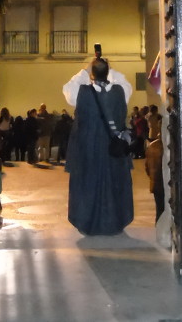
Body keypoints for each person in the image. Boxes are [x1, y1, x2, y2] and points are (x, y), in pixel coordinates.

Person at [63, 57, 134, 235]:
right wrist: (109, 68)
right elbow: (123, 81)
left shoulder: (79, 92)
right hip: (113, 148)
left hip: (87, 148)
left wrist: (85, 70)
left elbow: (68, 88)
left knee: (87, 184)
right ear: (108, 72)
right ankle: (114, 223)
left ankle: (87, 223)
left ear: (91, 74)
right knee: (114, 183)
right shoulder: (121, 91)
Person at [145, 137, 164, 223]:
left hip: (155, 183)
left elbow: (147, 167)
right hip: (165, 183)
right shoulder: (167, 146)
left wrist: (152, 177)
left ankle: (158, 225)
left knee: (159, 209)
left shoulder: (152, 146)